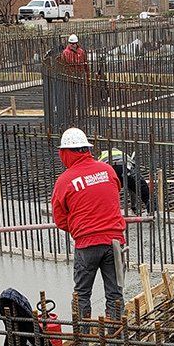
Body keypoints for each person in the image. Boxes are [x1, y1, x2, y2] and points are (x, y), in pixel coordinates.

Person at [52, 127, 126, 323]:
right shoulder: (108, 170)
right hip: (115, 242)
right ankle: (115, 342)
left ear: (66, 153)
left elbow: (60, 220)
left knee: (82, 295)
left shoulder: (65, 180)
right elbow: (112, 196)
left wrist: (81, 226)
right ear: (86, 149)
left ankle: (83, 343)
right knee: (115, 294)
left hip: (87, 245)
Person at [99, 146, 152, 214]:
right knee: (144, 192)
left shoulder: (101, 157)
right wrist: (134, 207)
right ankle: (152, 212)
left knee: (107, 194)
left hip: (110, 171)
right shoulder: (124, 154)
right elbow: (133, 190)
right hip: (126, 169)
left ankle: (108, 213)